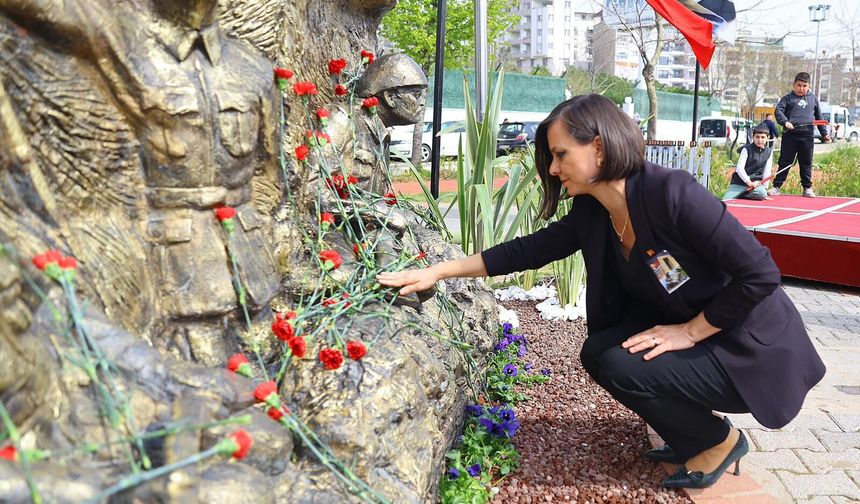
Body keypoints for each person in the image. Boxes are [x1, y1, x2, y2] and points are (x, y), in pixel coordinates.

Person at [377, 94, 826, 489]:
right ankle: (694, 433)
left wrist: (690, 331)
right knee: (600, 353)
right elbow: (530, 250)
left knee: (618, 361)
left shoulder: (674, 195)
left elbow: (761, 274)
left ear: (598, 146)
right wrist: (441, 270)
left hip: (747, 350)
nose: (552, 168)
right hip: (705, 340)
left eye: (559, 154)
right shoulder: (595, 212)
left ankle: (716, 442)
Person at [769, 72, 831, 198]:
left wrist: (824, 134)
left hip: (807, 136)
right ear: (794, 85)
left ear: (808, 86)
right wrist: (785, 122)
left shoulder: (813, 99)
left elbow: (819, 117)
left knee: (806, 162)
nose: (801, 88)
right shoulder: (787, 99)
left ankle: (807, 188)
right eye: (799, 85)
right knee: (785, 162)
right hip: (790, 136)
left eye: (804, 86)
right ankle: (776, 187)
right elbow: (778, 111)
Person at [721, 124, 773, 201]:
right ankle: (741, 193)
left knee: (762, 193)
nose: (760, 140)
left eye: (763, 137)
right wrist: (749, 182)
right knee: (725, 200)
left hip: (755, 184)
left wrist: (765, 188)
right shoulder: (746, 149)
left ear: (767, 138)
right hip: (739, 183)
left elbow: (767, 171)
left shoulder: (769, 151)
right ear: (753, 137)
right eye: (757, 137)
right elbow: (739, 168)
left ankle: (743, 194)